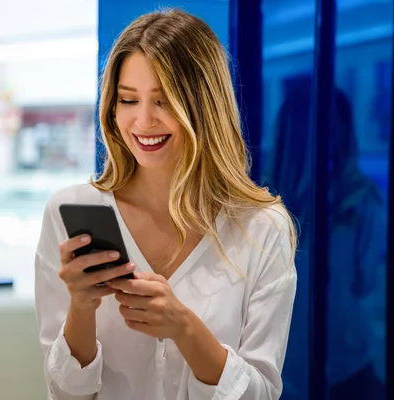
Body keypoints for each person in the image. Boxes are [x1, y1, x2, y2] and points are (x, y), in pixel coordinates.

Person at [35, 9, 297, 400]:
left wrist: (184, 328)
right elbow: (66, 394)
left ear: (204, 107)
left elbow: (260, 393)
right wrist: (81, 307)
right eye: (128, 99)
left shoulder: (261, 228)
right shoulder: (69, 212)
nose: (143, 121)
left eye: (165, 101)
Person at [268, 78, 386, 399]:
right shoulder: (358, 200)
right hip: (312, 364)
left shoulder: (358, 200)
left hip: (336, 368)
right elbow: (365, 283)